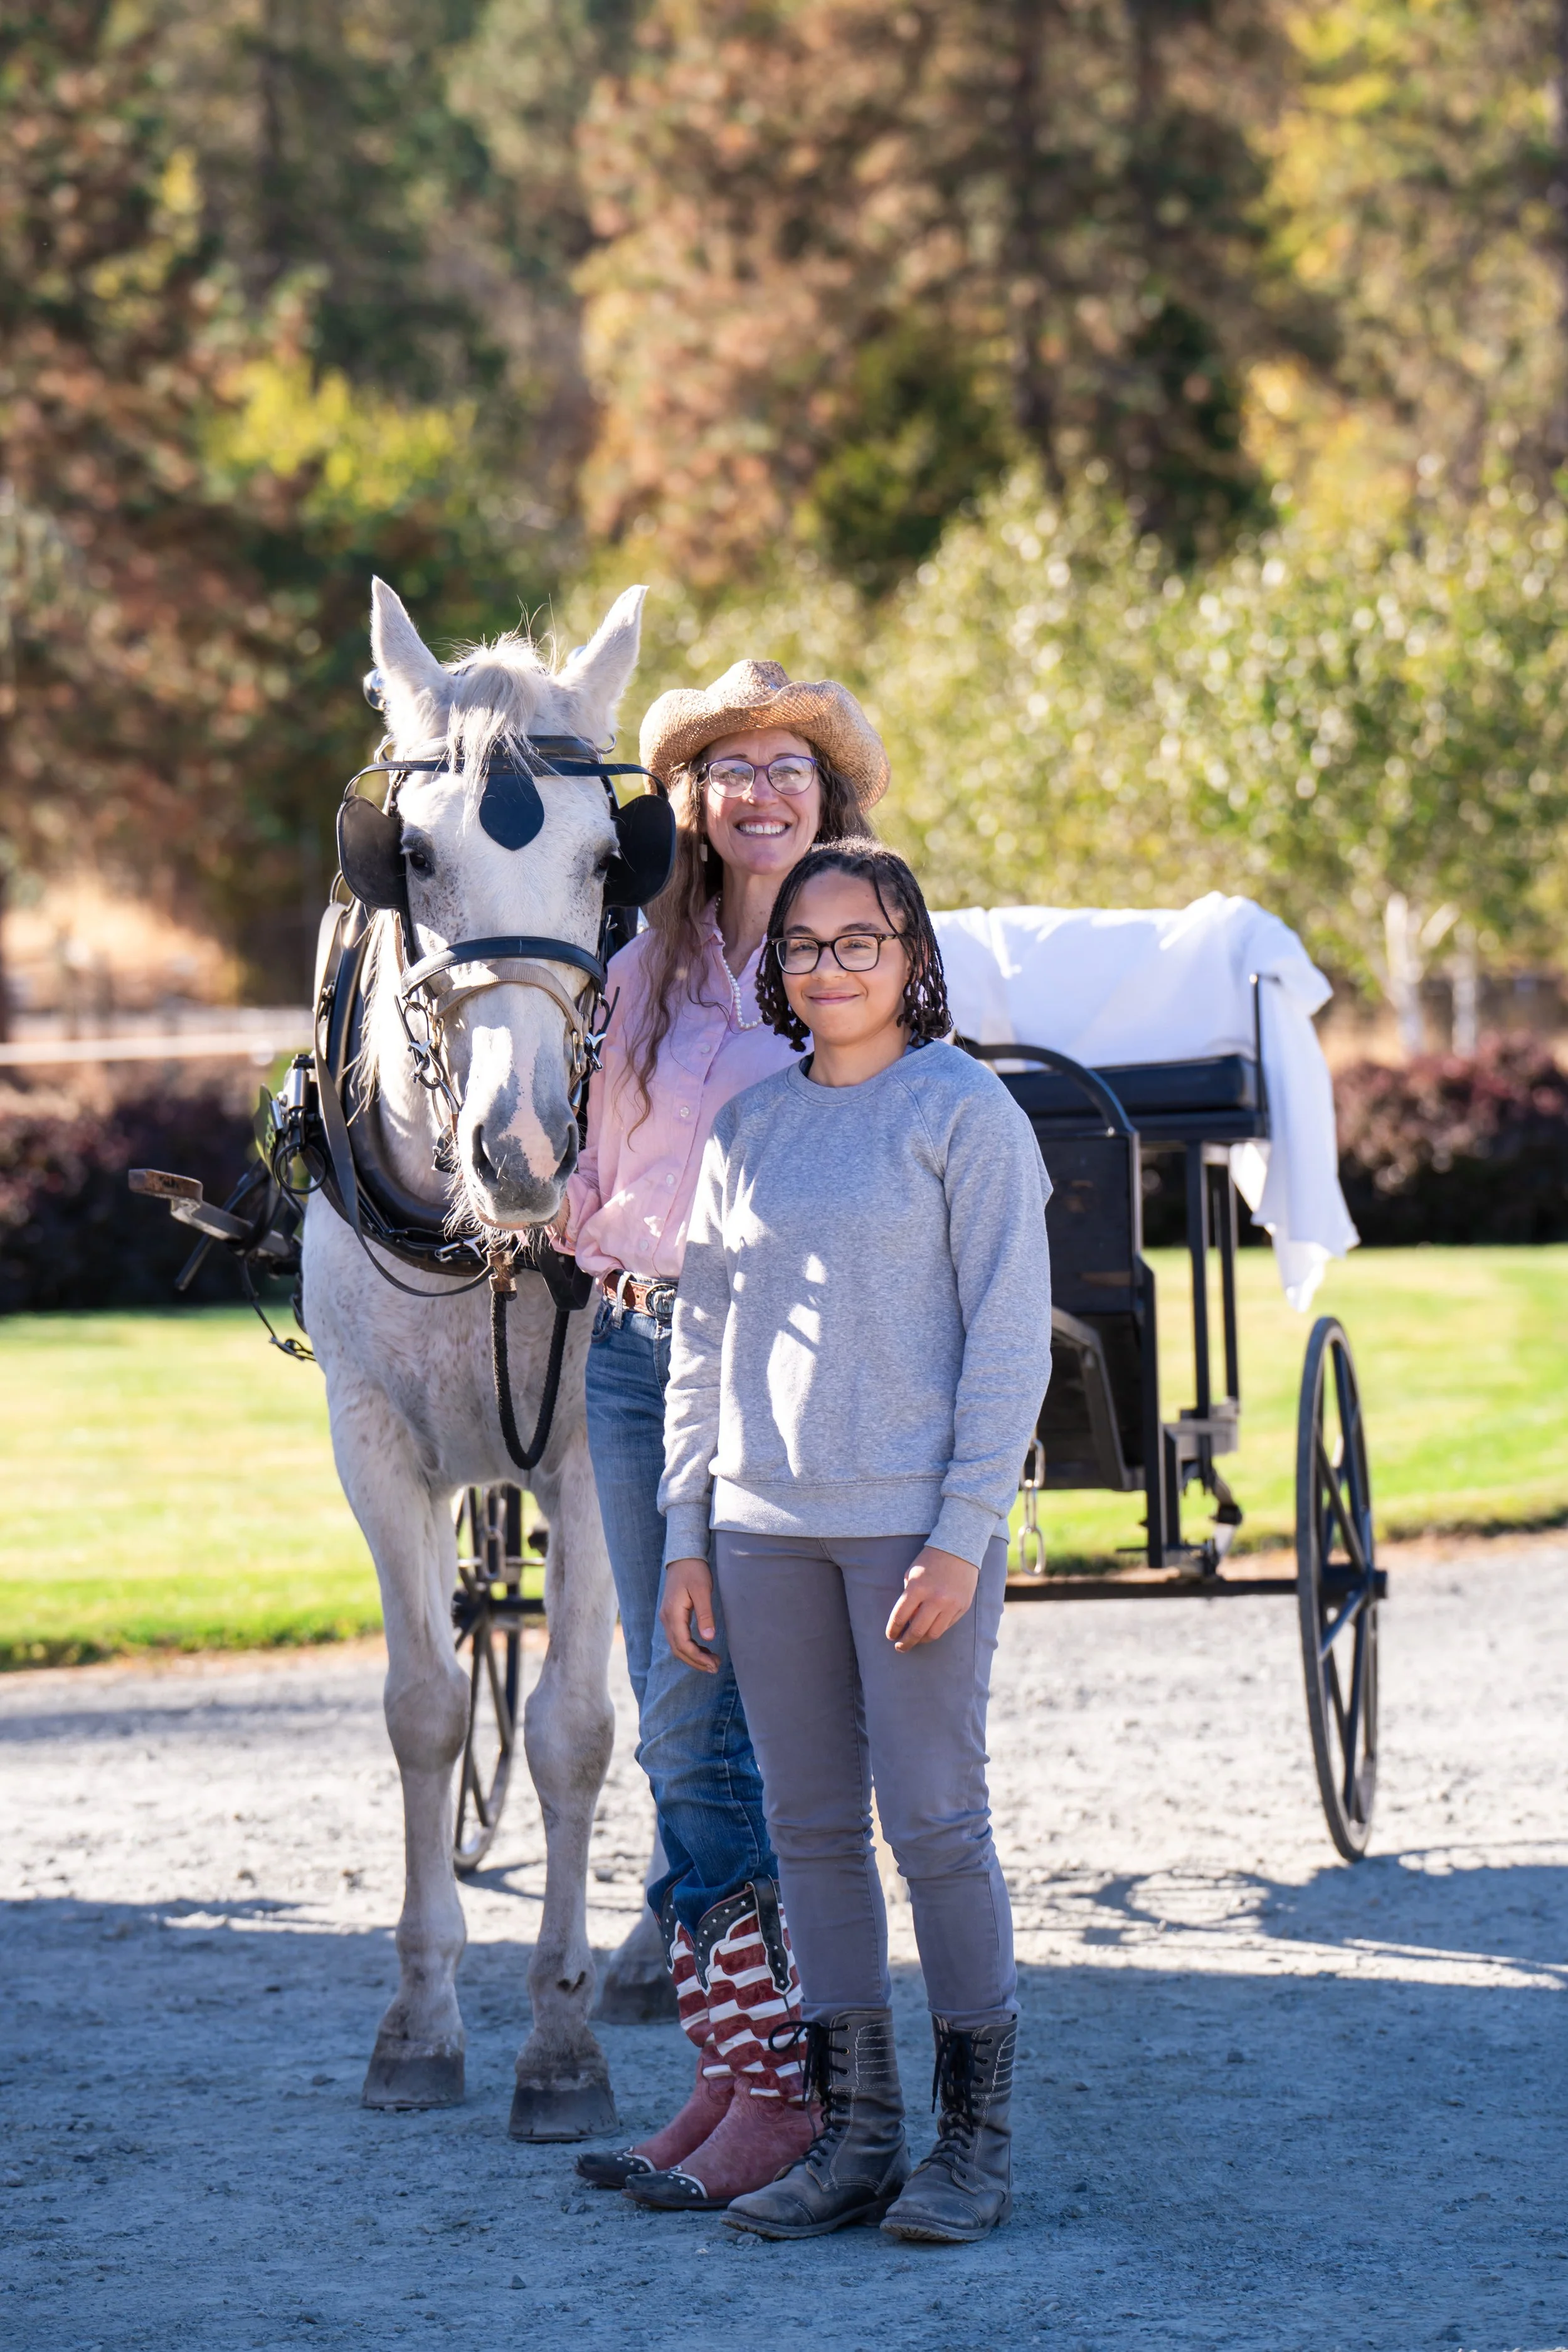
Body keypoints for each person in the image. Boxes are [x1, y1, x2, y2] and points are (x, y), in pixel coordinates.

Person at [658, 840, 1053, 2245]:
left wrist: (962, 1534)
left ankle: (971, 2148)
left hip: (906, 1537)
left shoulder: (961, 1113)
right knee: (811, 1833)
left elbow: (1010, 1340)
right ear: (777, 969)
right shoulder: (747, 1131)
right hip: (761, 1533)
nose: (830, 968)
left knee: (936, 1826)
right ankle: (858, 2141)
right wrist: (684, 1537)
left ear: (912, 958)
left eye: (860, 942)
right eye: (805, 946)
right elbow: (699, 1344)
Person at [561, 659, 891, 2211]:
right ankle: (736, 2070)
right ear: (687, 802)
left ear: (829, 798)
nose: (761, 790)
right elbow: (588, 1161)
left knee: (739, 1725)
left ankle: (797, 2083)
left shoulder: (848, 964)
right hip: (633, 1356)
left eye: (789, 765)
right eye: (729, 766)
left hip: (777, 1365)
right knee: (671, 1702)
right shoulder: (640, 964)